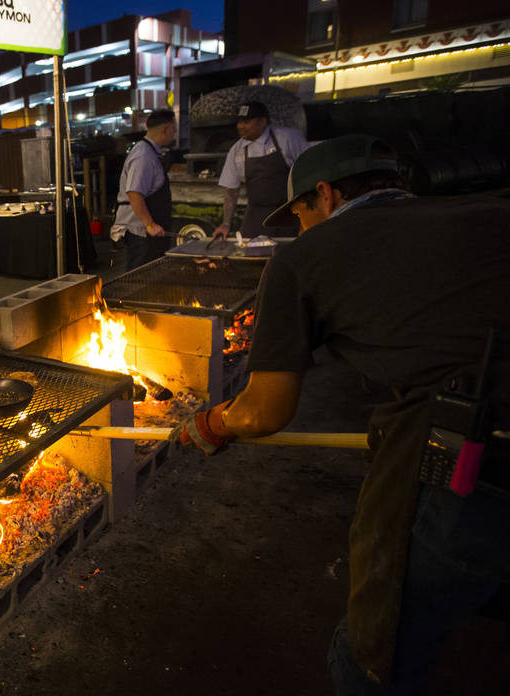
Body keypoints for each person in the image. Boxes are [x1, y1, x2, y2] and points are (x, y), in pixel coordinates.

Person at [172, 134, 510, 695]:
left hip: (474, 462)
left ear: (324, 195)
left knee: (372, 653)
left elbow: (265, 411)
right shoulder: (488, 211)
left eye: (300, 213)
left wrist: (210, 424)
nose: (300, 228)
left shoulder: (303, 260)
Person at [213, 101, 308, 239]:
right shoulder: (237, 150)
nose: (241, 126)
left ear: (262, 121)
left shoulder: (288, 138)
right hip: (256, 215)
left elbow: (307, 173)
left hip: (288, 212)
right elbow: (231, 191)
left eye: (246, 121)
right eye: (239, 122)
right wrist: (225, 224)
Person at [112, 109, 178, 271]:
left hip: (147, 232)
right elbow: (134, 193)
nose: (174, 134)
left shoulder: (150, 152)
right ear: (166, 130)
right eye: (173, 130)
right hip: (140, 233)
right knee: (139, 278)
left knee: (151, 276)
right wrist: (150, 225)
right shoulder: (143, 155)